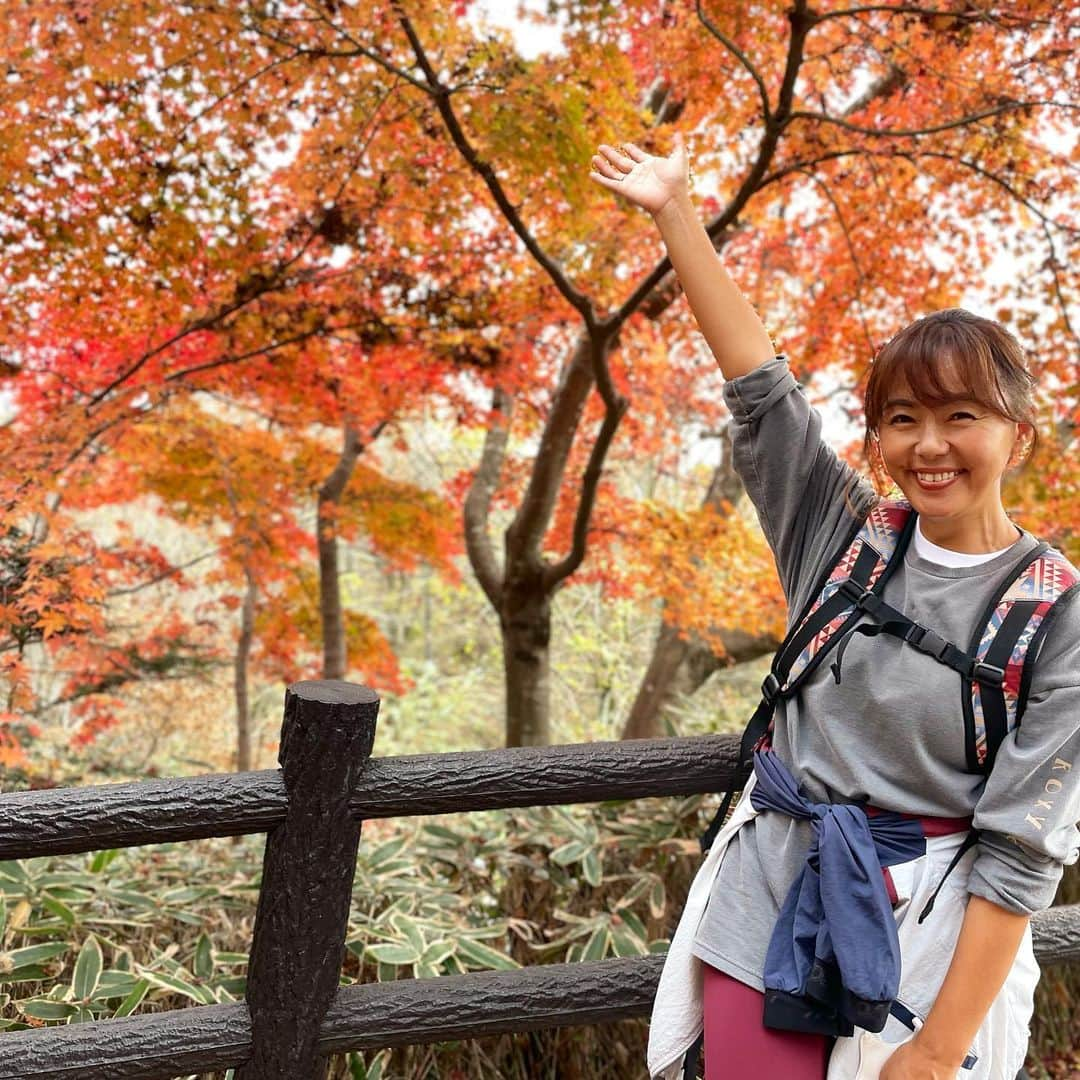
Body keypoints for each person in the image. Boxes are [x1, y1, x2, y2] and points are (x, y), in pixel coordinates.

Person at [589, 132, 1080, 1080]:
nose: (929, 444)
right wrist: (676, 210)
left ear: (1018, 433)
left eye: (960, 416)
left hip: (928, 925)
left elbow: (1024, 849)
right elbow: (761, 394)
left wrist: (936, 1050)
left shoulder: (1054, 613)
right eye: (902, 418)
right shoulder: (845, 540)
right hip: (769, 890)